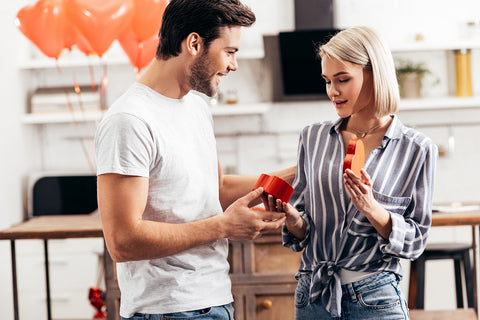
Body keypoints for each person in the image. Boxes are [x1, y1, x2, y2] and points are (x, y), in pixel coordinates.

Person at [94, 0, 295, 319]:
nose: (234, 65)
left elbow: (215, 188)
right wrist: (224, 226)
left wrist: (296, 173)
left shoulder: (196, 106)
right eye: (229, 51)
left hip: (215, 299)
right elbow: (123, 241)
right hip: (168, 309)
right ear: (194, 43)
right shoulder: (129, 120)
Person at [269, 26, 438, 319]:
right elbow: (304, 228)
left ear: (374, 74)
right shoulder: (312, 137)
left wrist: (372, 209)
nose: (332, 91)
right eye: (327, 80)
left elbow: (415, 240)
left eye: (343, 79)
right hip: (313, 295)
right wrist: (293, 218)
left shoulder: (417, 148)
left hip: (376, 297)